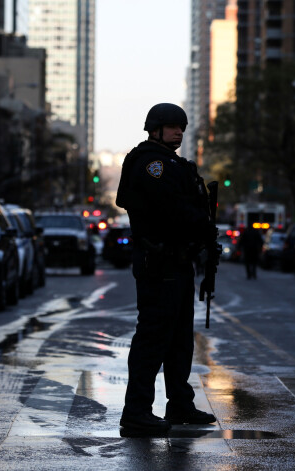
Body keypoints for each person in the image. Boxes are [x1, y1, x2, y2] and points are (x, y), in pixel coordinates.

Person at [115, 103, 218, 434]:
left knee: (179, 340)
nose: (179, 132)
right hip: (159, 262)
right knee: (153, 338)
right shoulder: (151, 163)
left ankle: (180, 404)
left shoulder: (174, 163)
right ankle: (136, 412)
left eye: (182, 127)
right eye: (173, 126)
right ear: (155, 128)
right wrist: (199, 223)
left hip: (177, 261)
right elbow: (170, 209)